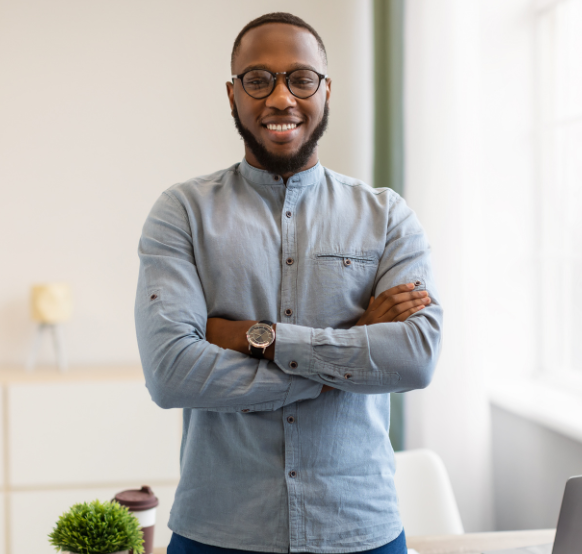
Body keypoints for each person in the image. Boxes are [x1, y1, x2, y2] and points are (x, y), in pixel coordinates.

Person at [134, 12, 442, 554]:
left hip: (360, 529)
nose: (281, 98)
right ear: (232, 95)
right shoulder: (181, 212)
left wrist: (259, 337)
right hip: (218, 530)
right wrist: (347, 354)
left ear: (327, 92)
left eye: (301, 78)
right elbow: (171, 373)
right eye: (258, 79)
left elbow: (414, 359)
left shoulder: (387, 216)